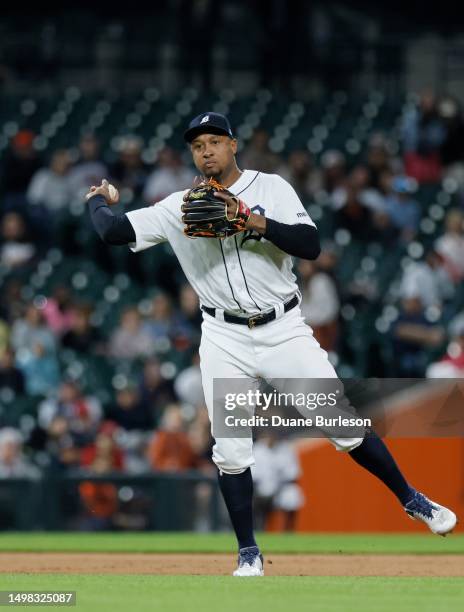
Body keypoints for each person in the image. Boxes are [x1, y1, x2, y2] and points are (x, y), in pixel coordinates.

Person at [86, 112, 457, 577]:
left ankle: (411, 499)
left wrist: (251, 220)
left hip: (283, 329)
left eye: (214, 141)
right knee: (232, 450)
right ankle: (248, 551)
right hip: (224, 337)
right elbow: (111, 231)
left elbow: (310, 244)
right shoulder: (177, 207)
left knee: (340, 423)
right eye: (197, 144)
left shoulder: (272, 188)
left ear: (233, 145)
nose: (205, 150)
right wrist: (99, 200)